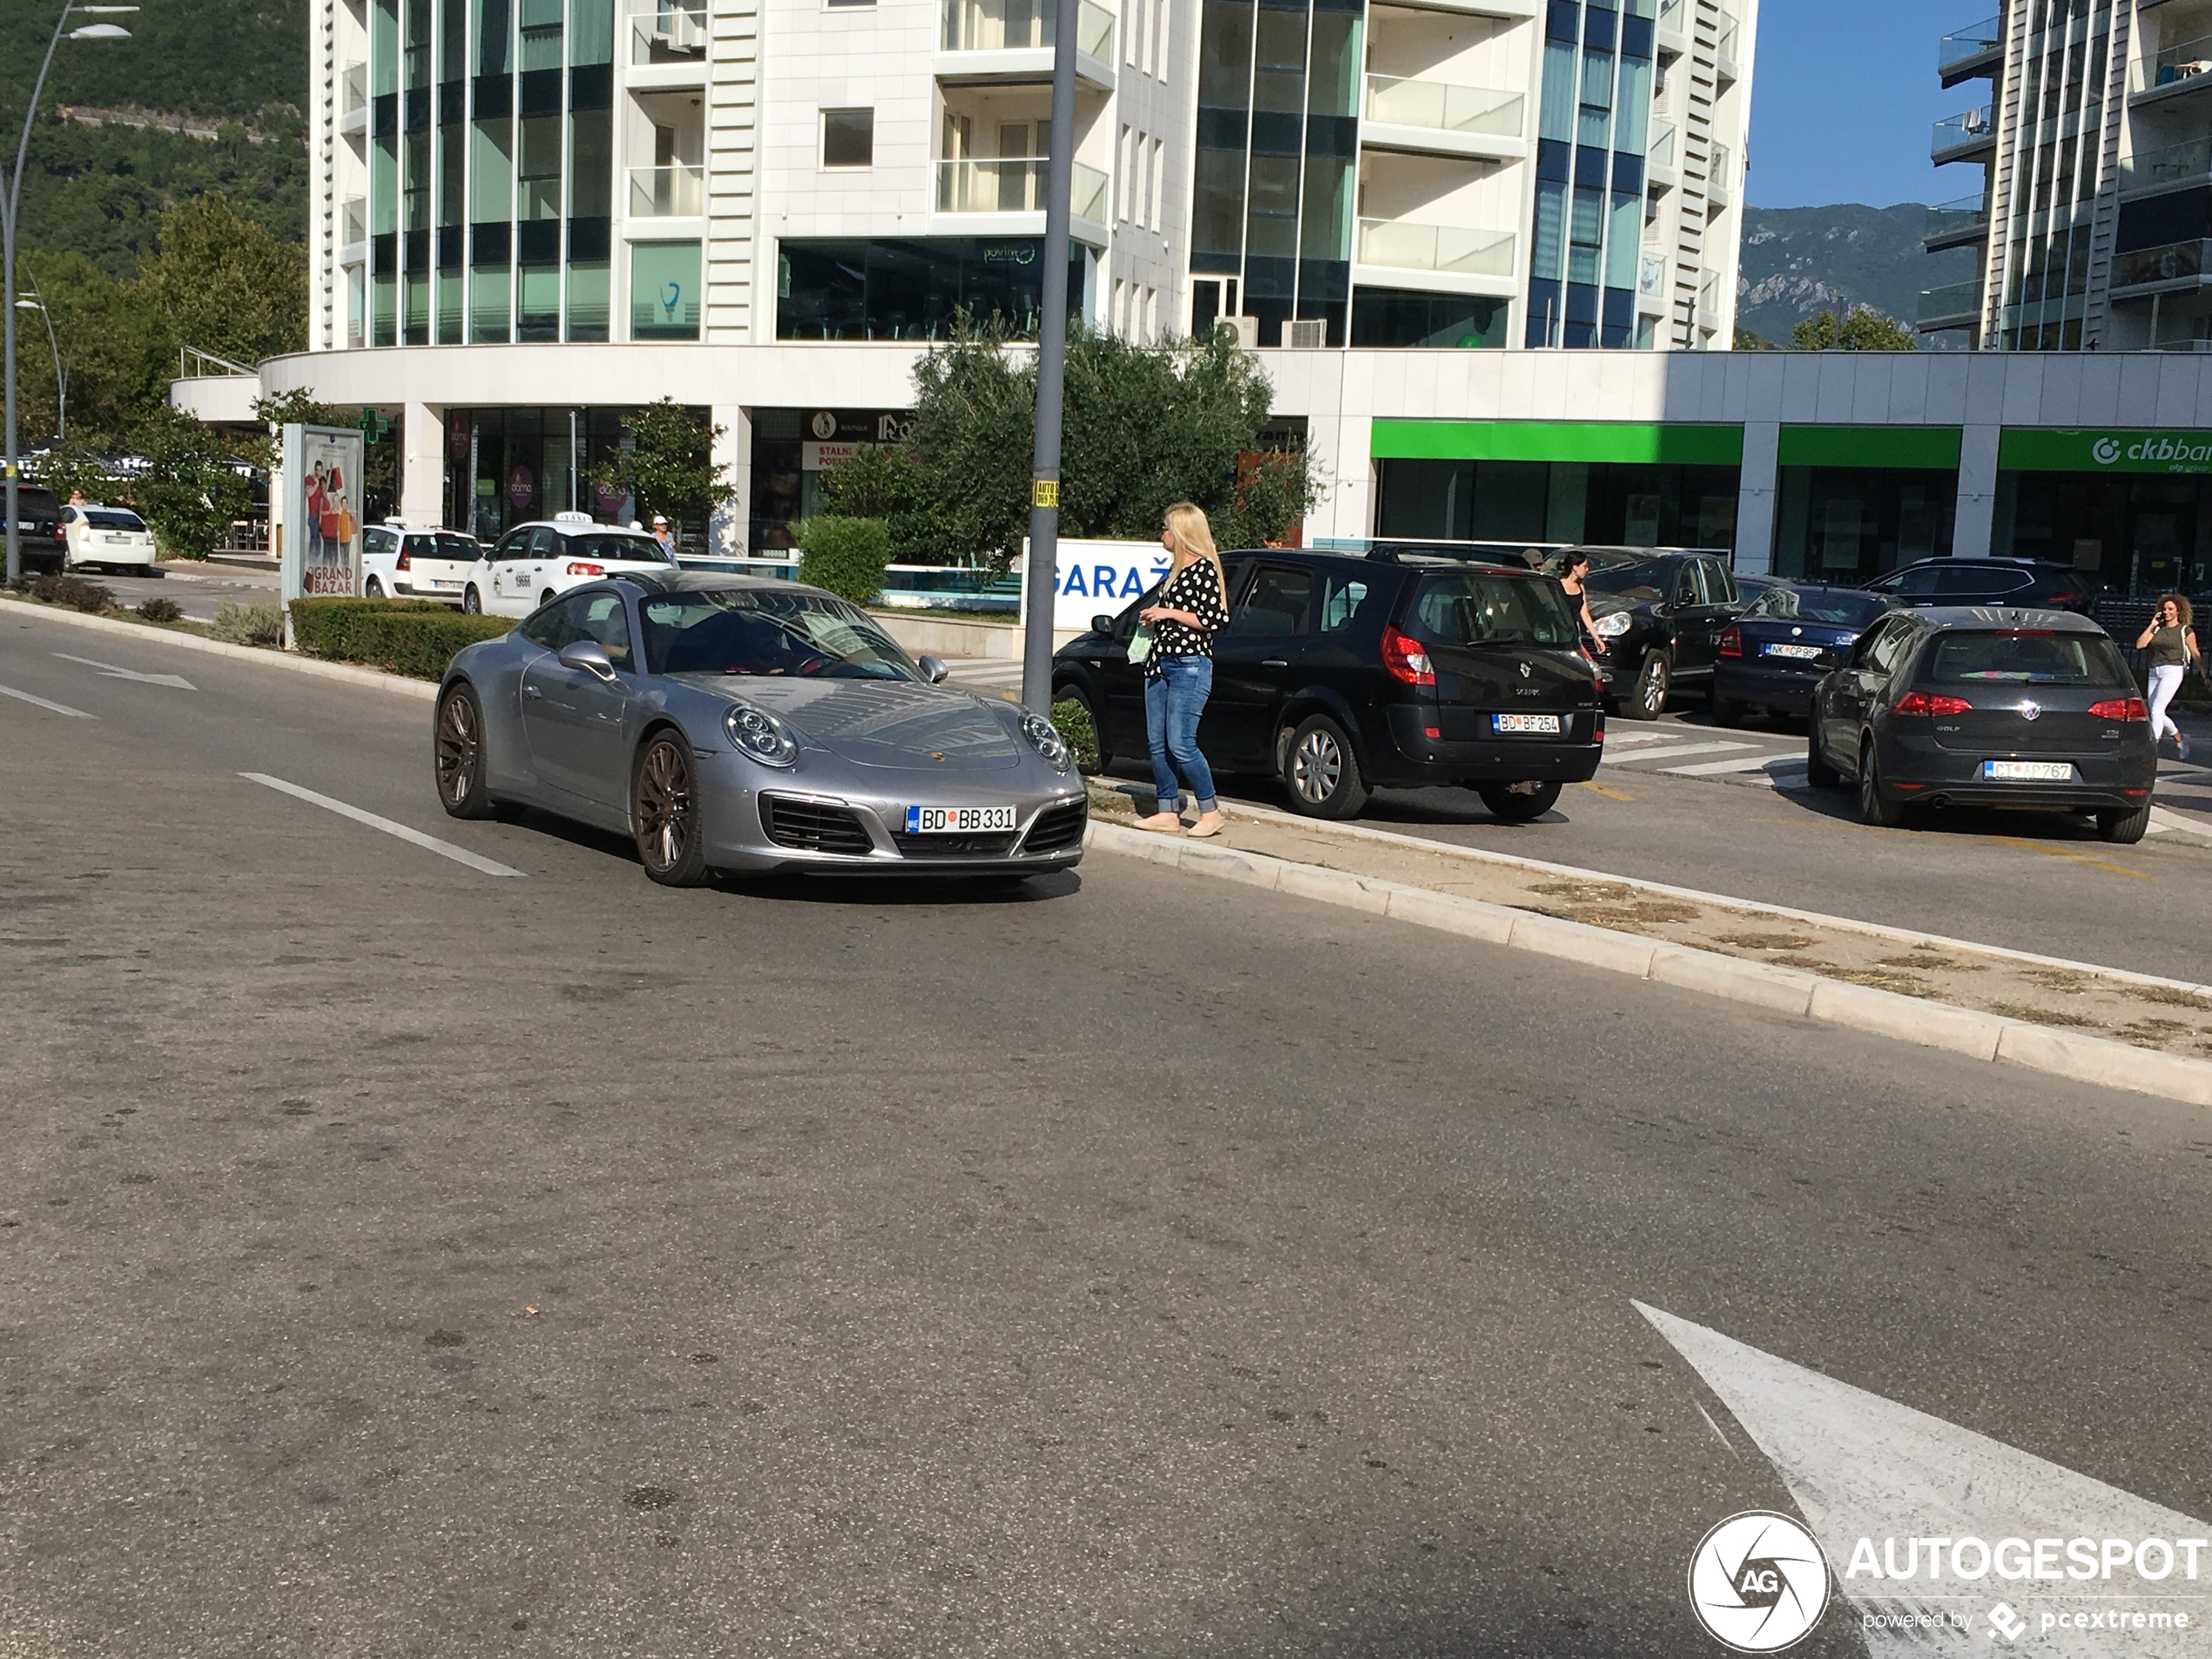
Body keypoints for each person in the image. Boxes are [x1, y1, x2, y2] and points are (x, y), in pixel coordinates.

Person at [1133, 502, 1231, 839]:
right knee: (1157, 742)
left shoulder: (1204, 569)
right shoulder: (1174, 571)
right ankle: (1167, 810)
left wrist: (1168, 612)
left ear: (1182, 532)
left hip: (1189, 664)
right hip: (1159, 662)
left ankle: (1210, 810)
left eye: (1165, 527)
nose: (1161, 533)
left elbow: (1215, 620)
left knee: (1181, 743)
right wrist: (1156, 613)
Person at [2137, 594, 2200, 759]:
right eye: (2164, 609)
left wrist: (2205, 675)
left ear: (2178, 611)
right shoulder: (2157, 629)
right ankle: (2180, 739)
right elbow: (2140, 645)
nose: (2166, 612)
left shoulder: (2185, 630)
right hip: (2155, 670)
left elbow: (2195, 653)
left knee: (2157, 710)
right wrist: (2152, 625)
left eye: (2170, 609)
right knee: (2156, 711)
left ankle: (2151, 749)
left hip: (2173, 670)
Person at [1555, 548, 1605, 656]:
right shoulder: (1558, 586)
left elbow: (1585, 615)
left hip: (1575, 633)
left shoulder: (1580, 587)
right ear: (1575, 567)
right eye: (1584, 566)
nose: (1587, 570)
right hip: (1560, 635)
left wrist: (1597, 638)